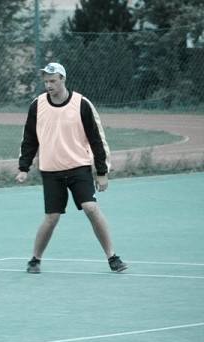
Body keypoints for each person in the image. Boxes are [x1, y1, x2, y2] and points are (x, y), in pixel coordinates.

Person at [15, 62, 127, 274]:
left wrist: (102, 172)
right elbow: (29, 138)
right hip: (51, 170)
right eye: (46, 81)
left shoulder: (81, 104)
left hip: (79, 167)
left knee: (91, 208)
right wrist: (24, 167)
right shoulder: (37, 105)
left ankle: (113, 257)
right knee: (52, 217)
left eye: (53, 81)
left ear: (63, 79)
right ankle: (35, 259)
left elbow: (97, 139)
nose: (49, 85)